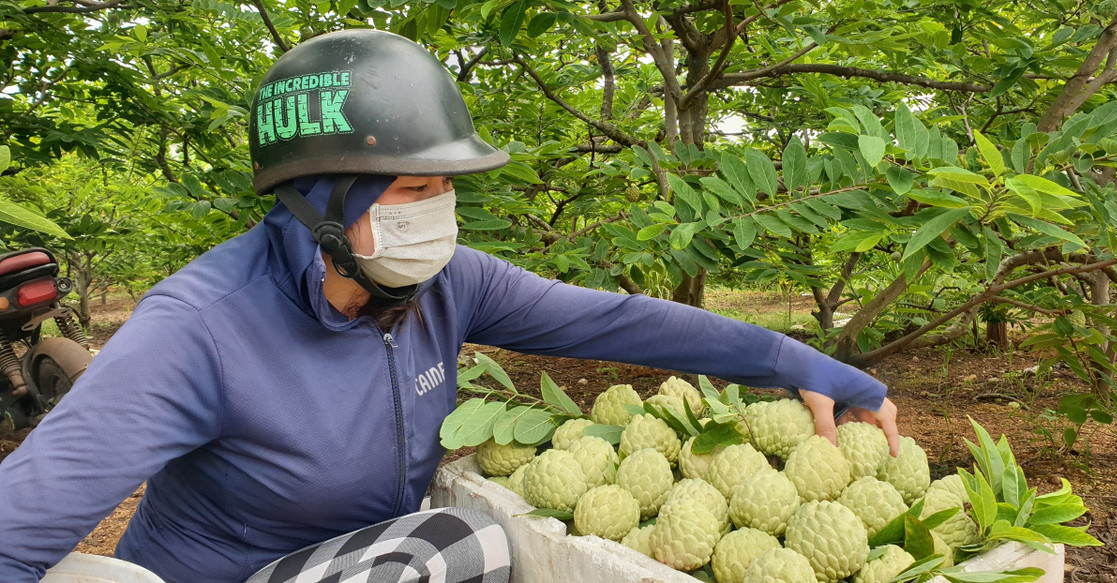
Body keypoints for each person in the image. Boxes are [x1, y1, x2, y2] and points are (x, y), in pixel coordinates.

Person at [0, 29, 898, 583]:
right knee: (458, 543)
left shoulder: (445, 281)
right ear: (323, 199)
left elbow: (619, 320)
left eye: (446, 187)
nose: (440, 212)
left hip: (356, 561)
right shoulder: (199, 332)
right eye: (414, 188)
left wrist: (804, 364)